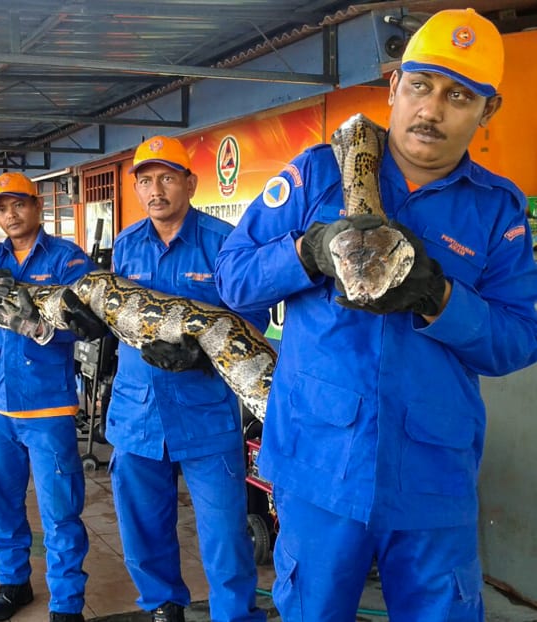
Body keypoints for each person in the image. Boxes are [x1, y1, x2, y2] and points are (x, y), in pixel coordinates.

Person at [215, 8, 537, 621]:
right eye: (420, 85)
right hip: (318, 462)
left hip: (432, 471)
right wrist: (307, 252)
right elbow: (234, 278)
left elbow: (520, 339)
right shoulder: (316, 174)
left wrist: (437, 297)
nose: (433, 110)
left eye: (460, 96)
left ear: (487, 111)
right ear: (393, 87)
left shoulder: (498, 211)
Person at [107, 136, 267, 622]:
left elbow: (253, 318)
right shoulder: (126, 245)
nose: (156, 189)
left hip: (205, 415)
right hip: (136, 412)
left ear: (190, 183)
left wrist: (200, 355)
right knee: (143, 530)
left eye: (167, 177)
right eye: (146, 180)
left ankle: (235, 616)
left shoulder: (225, 243)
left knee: (224, 534)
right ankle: (162, 608)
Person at [0, 171, 105, 622]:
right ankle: (14, 584)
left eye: (20, 204)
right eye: (2, 207)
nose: (11, 214)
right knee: (3, 500)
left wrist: (47, 330)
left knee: (60, 509)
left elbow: (91, 327)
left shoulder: (69, 261)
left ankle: (67, 604)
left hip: (47, 405)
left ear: (37, 207)